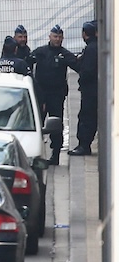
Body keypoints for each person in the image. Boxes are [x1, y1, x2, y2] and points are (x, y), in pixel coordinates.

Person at [28, 24, 79, 164]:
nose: (57, 39)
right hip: (41, 95)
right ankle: (35, 154)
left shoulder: (65, 54)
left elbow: (79, 66)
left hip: (56, 94)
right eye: (55, 36)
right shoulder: (40, 52)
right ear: (49, 37)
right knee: (38, 123)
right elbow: (26, 64)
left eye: (60, 37)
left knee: (56, 125)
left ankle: (55, 155)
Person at [67, 20, 99, 156]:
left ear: (85, 34)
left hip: (91, 90)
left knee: (86, 116)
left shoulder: (91, 49)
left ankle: (84, 145)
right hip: (96, 88)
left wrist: (82, 79)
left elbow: (87, 70)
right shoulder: (97, 46)